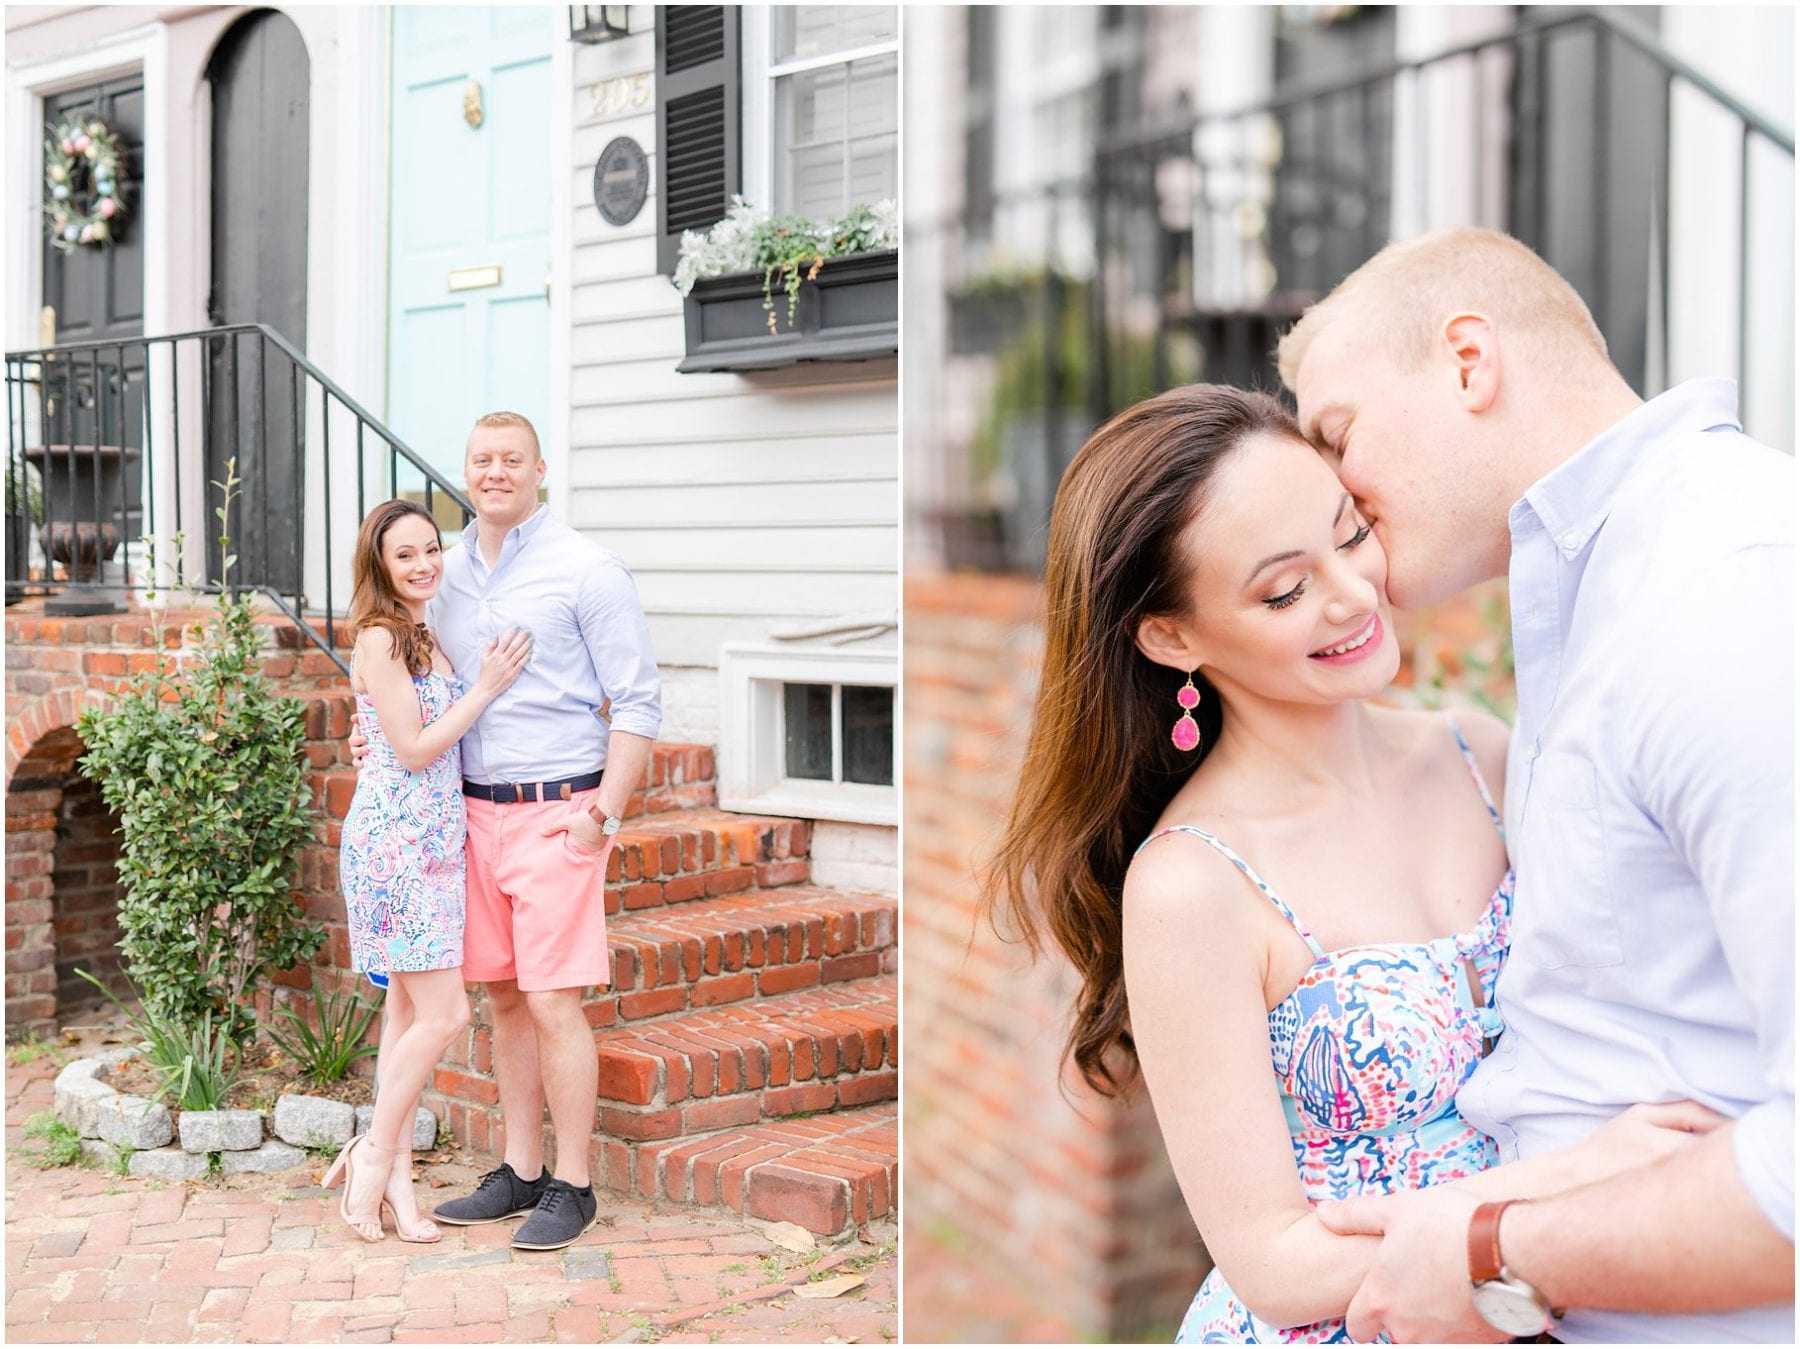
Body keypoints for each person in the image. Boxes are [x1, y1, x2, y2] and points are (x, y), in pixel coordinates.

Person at [982, 384, 1707, 1343]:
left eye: (1352, 532)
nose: (1352, 594)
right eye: (1284, 590)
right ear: (1172, 637)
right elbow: (1276, 1264)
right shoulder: (1192, 885)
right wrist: (1570, 1191)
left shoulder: (1482, 753)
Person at [1281, 226, 1793, 1342]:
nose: (1335, 497)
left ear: (1469, 360)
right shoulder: (1611, 585)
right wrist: (1492, 1273)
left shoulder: (1724, 593)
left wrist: (1490, 1253)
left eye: (1338, 433)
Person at [362, 411, 661, 1252]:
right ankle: (520, 1170)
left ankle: (574, 1183)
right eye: (480, 460)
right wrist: (372, 731)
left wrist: (601, 816)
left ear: (539, 470)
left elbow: (637, 702)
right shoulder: (442, 572)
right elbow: (412, 686)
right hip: (466, 815)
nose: (495, 472)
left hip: (557, 812)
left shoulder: (587, 569)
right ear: (468, 471)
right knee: (501, 999)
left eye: (511, 459)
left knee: (554, 1000)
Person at [324, 498, 532, 1242]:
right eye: (404, 554)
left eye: (430, 548)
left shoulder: (426, 635)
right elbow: (412, 749)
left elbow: (390, 731)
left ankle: (399, 1187)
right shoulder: (381, 637)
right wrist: (486, 687)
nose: (422, 564)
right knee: (445, 1014)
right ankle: (373, 1153)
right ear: (380, 566)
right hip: (395, 845)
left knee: (408, 1015)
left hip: (438, 845)